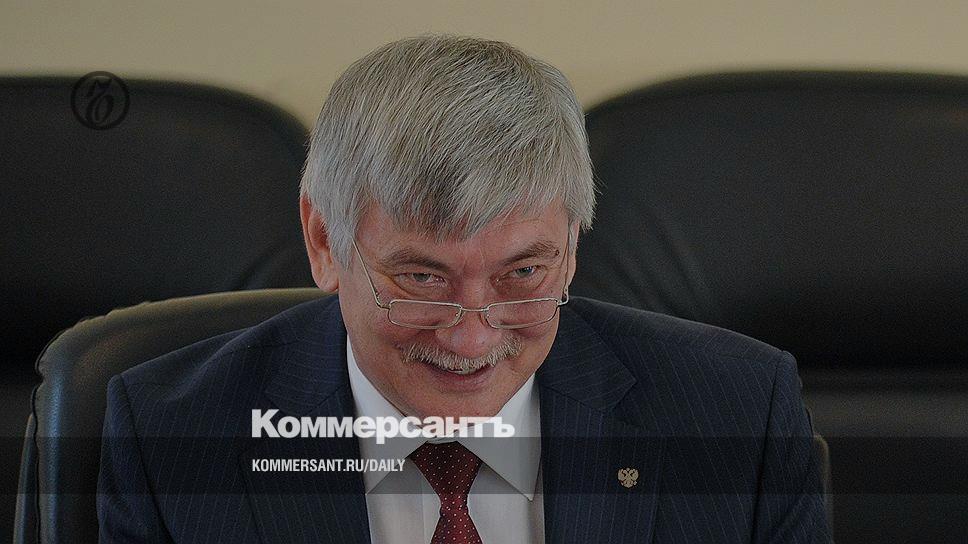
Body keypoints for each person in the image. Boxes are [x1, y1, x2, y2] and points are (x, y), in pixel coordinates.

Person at [98, 35, 831, 543]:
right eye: (422, 278)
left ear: (572, 246)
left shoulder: (739, 414)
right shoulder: (171, 435)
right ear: (324, 241)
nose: (473, 337)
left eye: (523, 274)